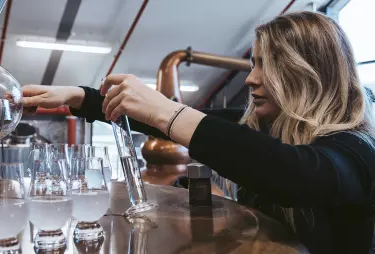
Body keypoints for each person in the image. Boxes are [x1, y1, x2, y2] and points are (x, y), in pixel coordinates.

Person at [19, 11, 375, 253]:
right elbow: (171, 122)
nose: (250, 79)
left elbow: (297, 174)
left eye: (268, 66)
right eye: (253, 64)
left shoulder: (357, 150)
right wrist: (78, 97)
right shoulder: (267, 126)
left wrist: (164, 108)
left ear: (308, 71)